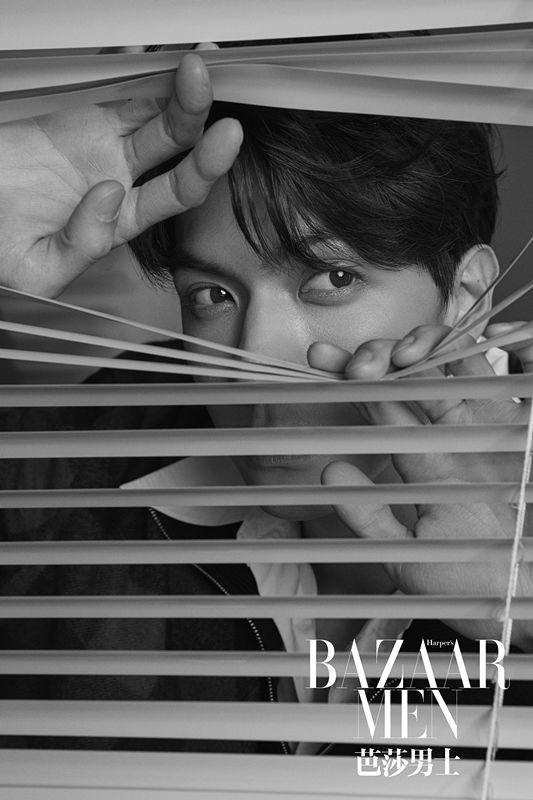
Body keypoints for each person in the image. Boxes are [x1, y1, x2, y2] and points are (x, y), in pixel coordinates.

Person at [1, 51, 532, 755]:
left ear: (464, 297)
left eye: (331, 279)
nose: (251, 364)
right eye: (212, 295)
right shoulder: (76, 466)